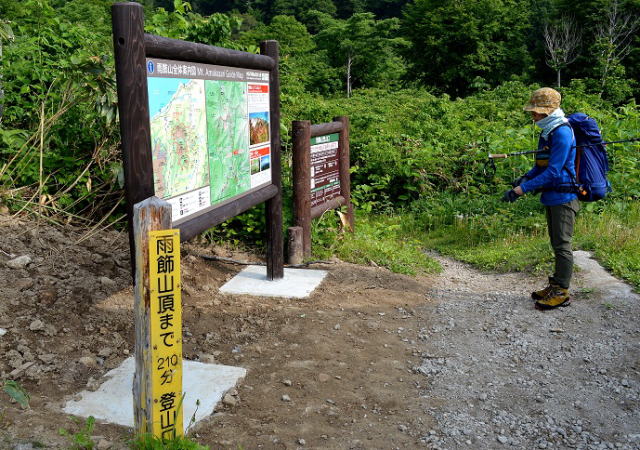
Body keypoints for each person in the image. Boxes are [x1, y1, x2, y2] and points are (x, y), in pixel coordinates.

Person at [502, 87, 579, 310]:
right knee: (556, 243)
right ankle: (555, 284)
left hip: (564, 196)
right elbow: (541, 165)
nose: (533, 116)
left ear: (549, 112)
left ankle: (562, 292)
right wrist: (525, 178)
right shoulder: (547, 131)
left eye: (536, 112)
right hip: (552, 195)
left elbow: (554, 171)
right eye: (533, 112)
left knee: (563, 245)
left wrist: (521, 190)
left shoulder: (562, 132)